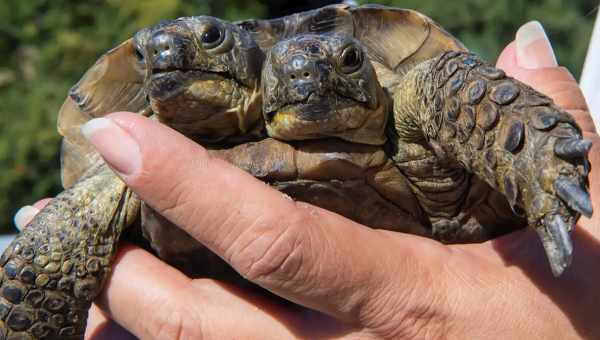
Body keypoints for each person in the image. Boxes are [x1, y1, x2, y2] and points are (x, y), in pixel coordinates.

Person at [15, 21, 600, 339]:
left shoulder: (417, 96)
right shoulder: (127, 161)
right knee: (52, 243)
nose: (305, 73)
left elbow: (456, 89)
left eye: (346, 62)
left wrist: (542, 163)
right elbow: (52, 251)